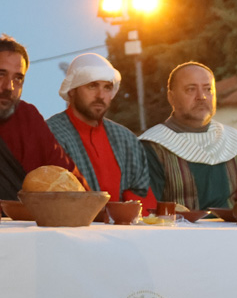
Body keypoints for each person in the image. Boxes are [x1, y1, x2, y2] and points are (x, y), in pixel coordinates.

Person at [140, 62, 237, 210]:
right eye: (191, 89)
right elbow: (148, 211)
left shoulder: (236, 142)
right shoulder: (152, 145)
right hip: (176, 226)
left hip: (233, 226)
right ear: (171, 97)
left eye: (208, 89)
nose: (201, 96)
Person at [46, 53, 156, 207]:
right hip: (69, 221)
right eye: (92, 86)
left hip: (124, 223)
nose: (100, 95)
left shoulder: (126, 139)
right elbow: (47, 198)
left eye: (107, 87)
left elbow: (142, 198)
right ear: (72, 90)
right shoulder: (49, 135)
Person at [0, 34, 83, 198]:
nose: (9, 87)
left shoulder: (27, 117)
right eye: (1, 74)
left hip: (28, 215)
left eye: (18, 78)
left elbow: (70, 182)